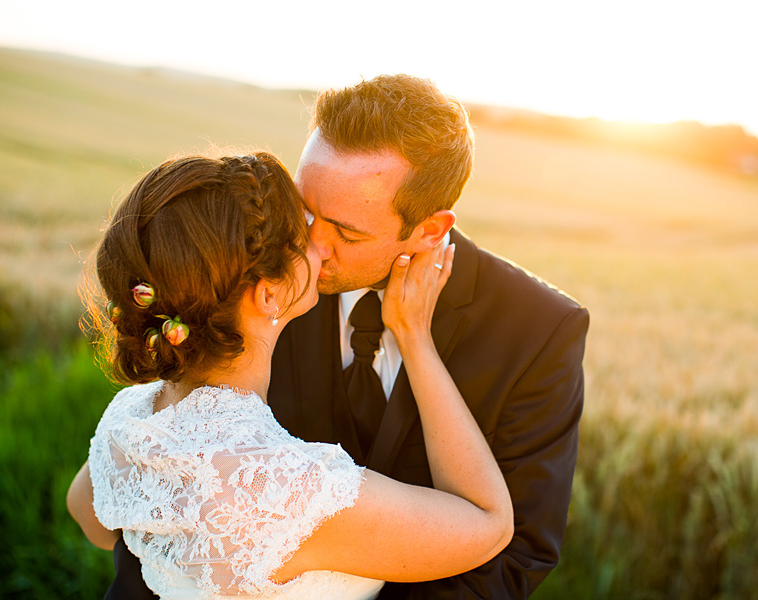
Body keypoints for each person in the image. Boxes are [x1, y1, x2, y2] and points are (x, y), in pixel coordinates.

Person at [106, 75, 589, 599]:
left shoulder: (539, 329)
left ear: (430, 229)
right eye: (305, 208)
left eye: (346, 231)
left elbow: (516, 556)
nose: (309, 243)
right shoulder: (260, 279)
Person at [67, 152, 514, 599]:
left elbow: (91, 518)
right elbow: (488, 523)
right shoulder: (288, 489)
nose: (321, 243)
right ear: (267, 296)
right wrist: (415, 336)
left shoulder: (132, 417)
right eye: (303, 231)